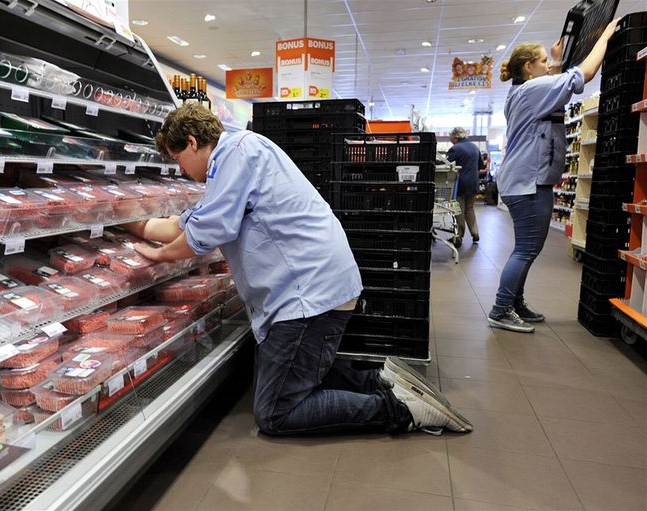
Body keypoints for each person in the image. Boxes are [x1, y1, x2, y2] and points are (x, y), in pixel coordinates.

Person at [126, 103, 472, 436]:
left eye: (178, 160)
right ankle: (383, 379)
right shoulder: (238, 154)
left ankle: (401, 410)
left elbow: (209, 230)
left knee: (276, 412)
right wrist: (130, 223)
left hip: (308, 296)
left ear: (191, 142)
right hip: (314, 288)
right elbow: (184, 224)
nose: (182, 170)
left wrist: (160, 257)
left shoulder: (234, 155)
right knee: (294, 378)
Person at [488, 19, 619, 333]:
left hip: (527, 180)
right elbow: (584, 75)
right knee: (526, 249)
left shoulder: (524, 91)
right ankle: (500, 308)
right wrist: (606, 37)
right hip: (527, 183)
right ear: (530, 67)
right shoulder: (533, 90)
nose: (549, 66)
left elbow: (556, 86)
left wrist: (557, 60)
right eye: (544, 61)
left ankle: (514, 302)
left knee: (527, 247)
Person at [446, 127, 482, 245]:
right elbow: (480, 165)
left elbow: (446, 164)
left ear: (455, 136)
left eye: (450, 136)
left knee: (459, 209)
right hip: (473, 183)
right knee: (469, 208)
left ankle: (459, 236)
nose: (450, 138)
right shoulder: (474, 147)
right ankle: (475, 233)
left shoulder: (455, 148)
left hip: (460, 184)